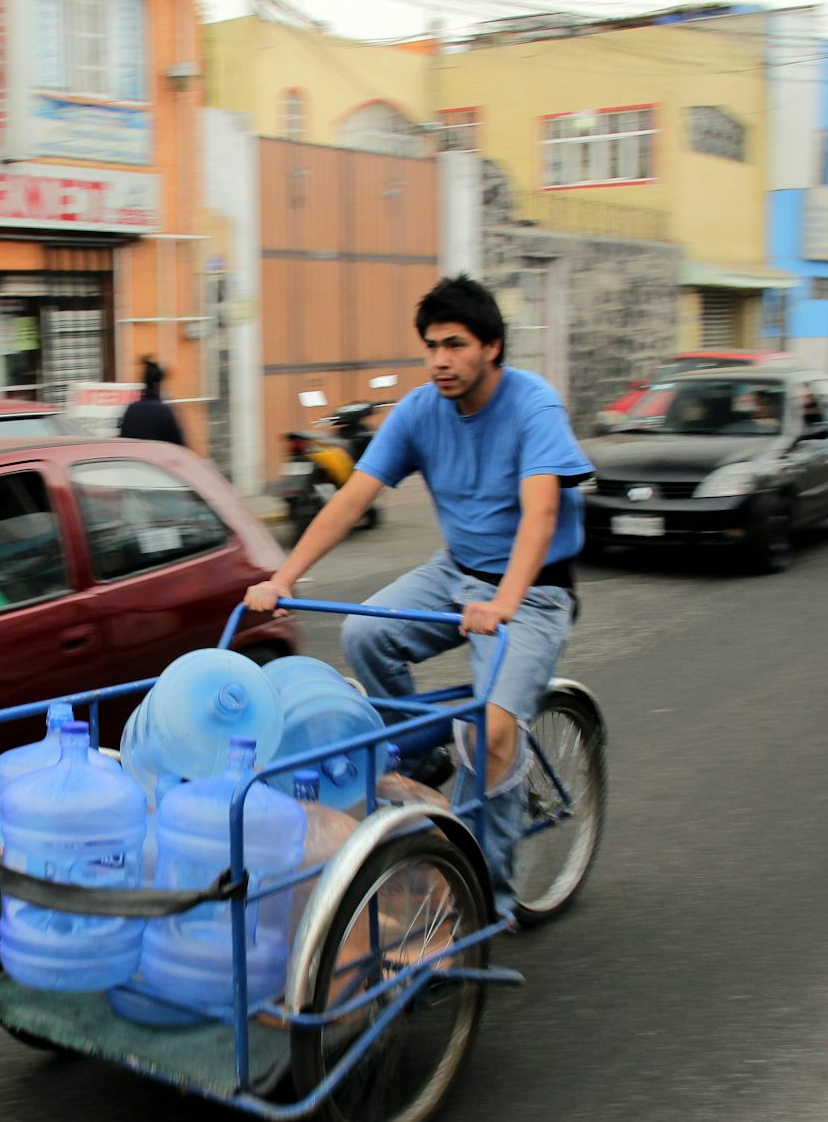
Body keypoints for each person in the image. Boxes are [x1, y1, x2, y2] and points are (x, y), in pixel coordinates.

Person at [242, 274, 592, 918]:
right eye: (430, 345)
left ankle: (488, 900)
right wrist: (285, 577)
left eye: (454, 345)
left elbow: (541, 514)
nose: (439, 360)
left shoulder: (533, 406)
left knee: (489, 736)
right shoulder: (421, 409)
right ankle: (423, 751)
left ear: (491, 347)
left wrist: (507, 601)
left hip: (532, 590)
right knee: (364, 634)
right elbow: (352, 499)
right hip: (455, 572)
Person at [117, 354, 186, 447]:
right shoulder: (164, 412)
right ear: (158, 385)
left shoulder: (131, 410)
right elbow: (179, 447)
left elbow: (122, 441)